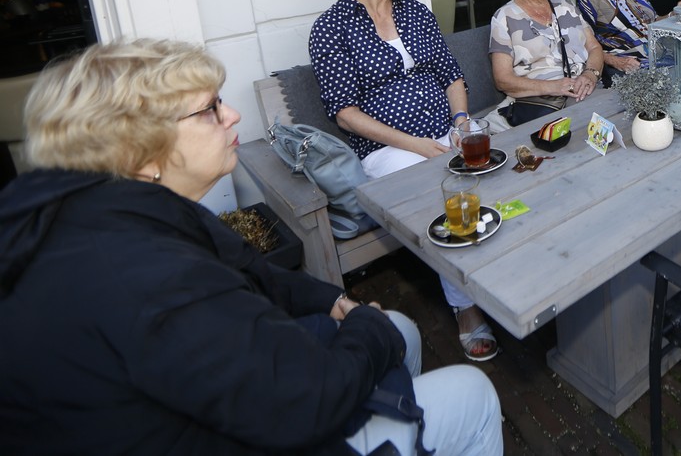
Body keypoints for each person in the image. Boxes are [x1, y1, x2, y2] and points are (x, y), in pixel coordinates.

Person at [0, 39, 503, 456]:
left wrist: (336, 300)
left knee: (400, 330)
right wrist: (366, 327)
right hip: (254, 428)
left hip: (233, 402)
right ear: (137, 152)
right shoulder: (140, 272)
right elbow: (304, 403)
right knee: (470, 392)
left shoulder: (125, 209)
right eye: (209, 110)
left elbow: (253, 271)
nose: (233, 113)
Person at [309, 0, 498, 362]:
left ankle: (500, 273)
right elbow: (346, 114)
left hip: (444, 130)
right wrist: (417, 145)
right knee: (444, 194)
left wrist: (462, 122)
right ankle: (466, 306)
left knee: (496, 171)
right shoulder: (332, 29)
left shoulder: (415, 13)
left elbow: (451, 75)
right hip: (388, 150)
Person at [491, 0, 605, 126]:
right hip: (543, 102)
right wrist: (553, 86)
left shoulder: (566, 5)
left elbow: (594, 47)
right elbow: (502, 79)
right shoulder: (504, 17)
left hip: (586, 91)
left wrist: (590, 74)